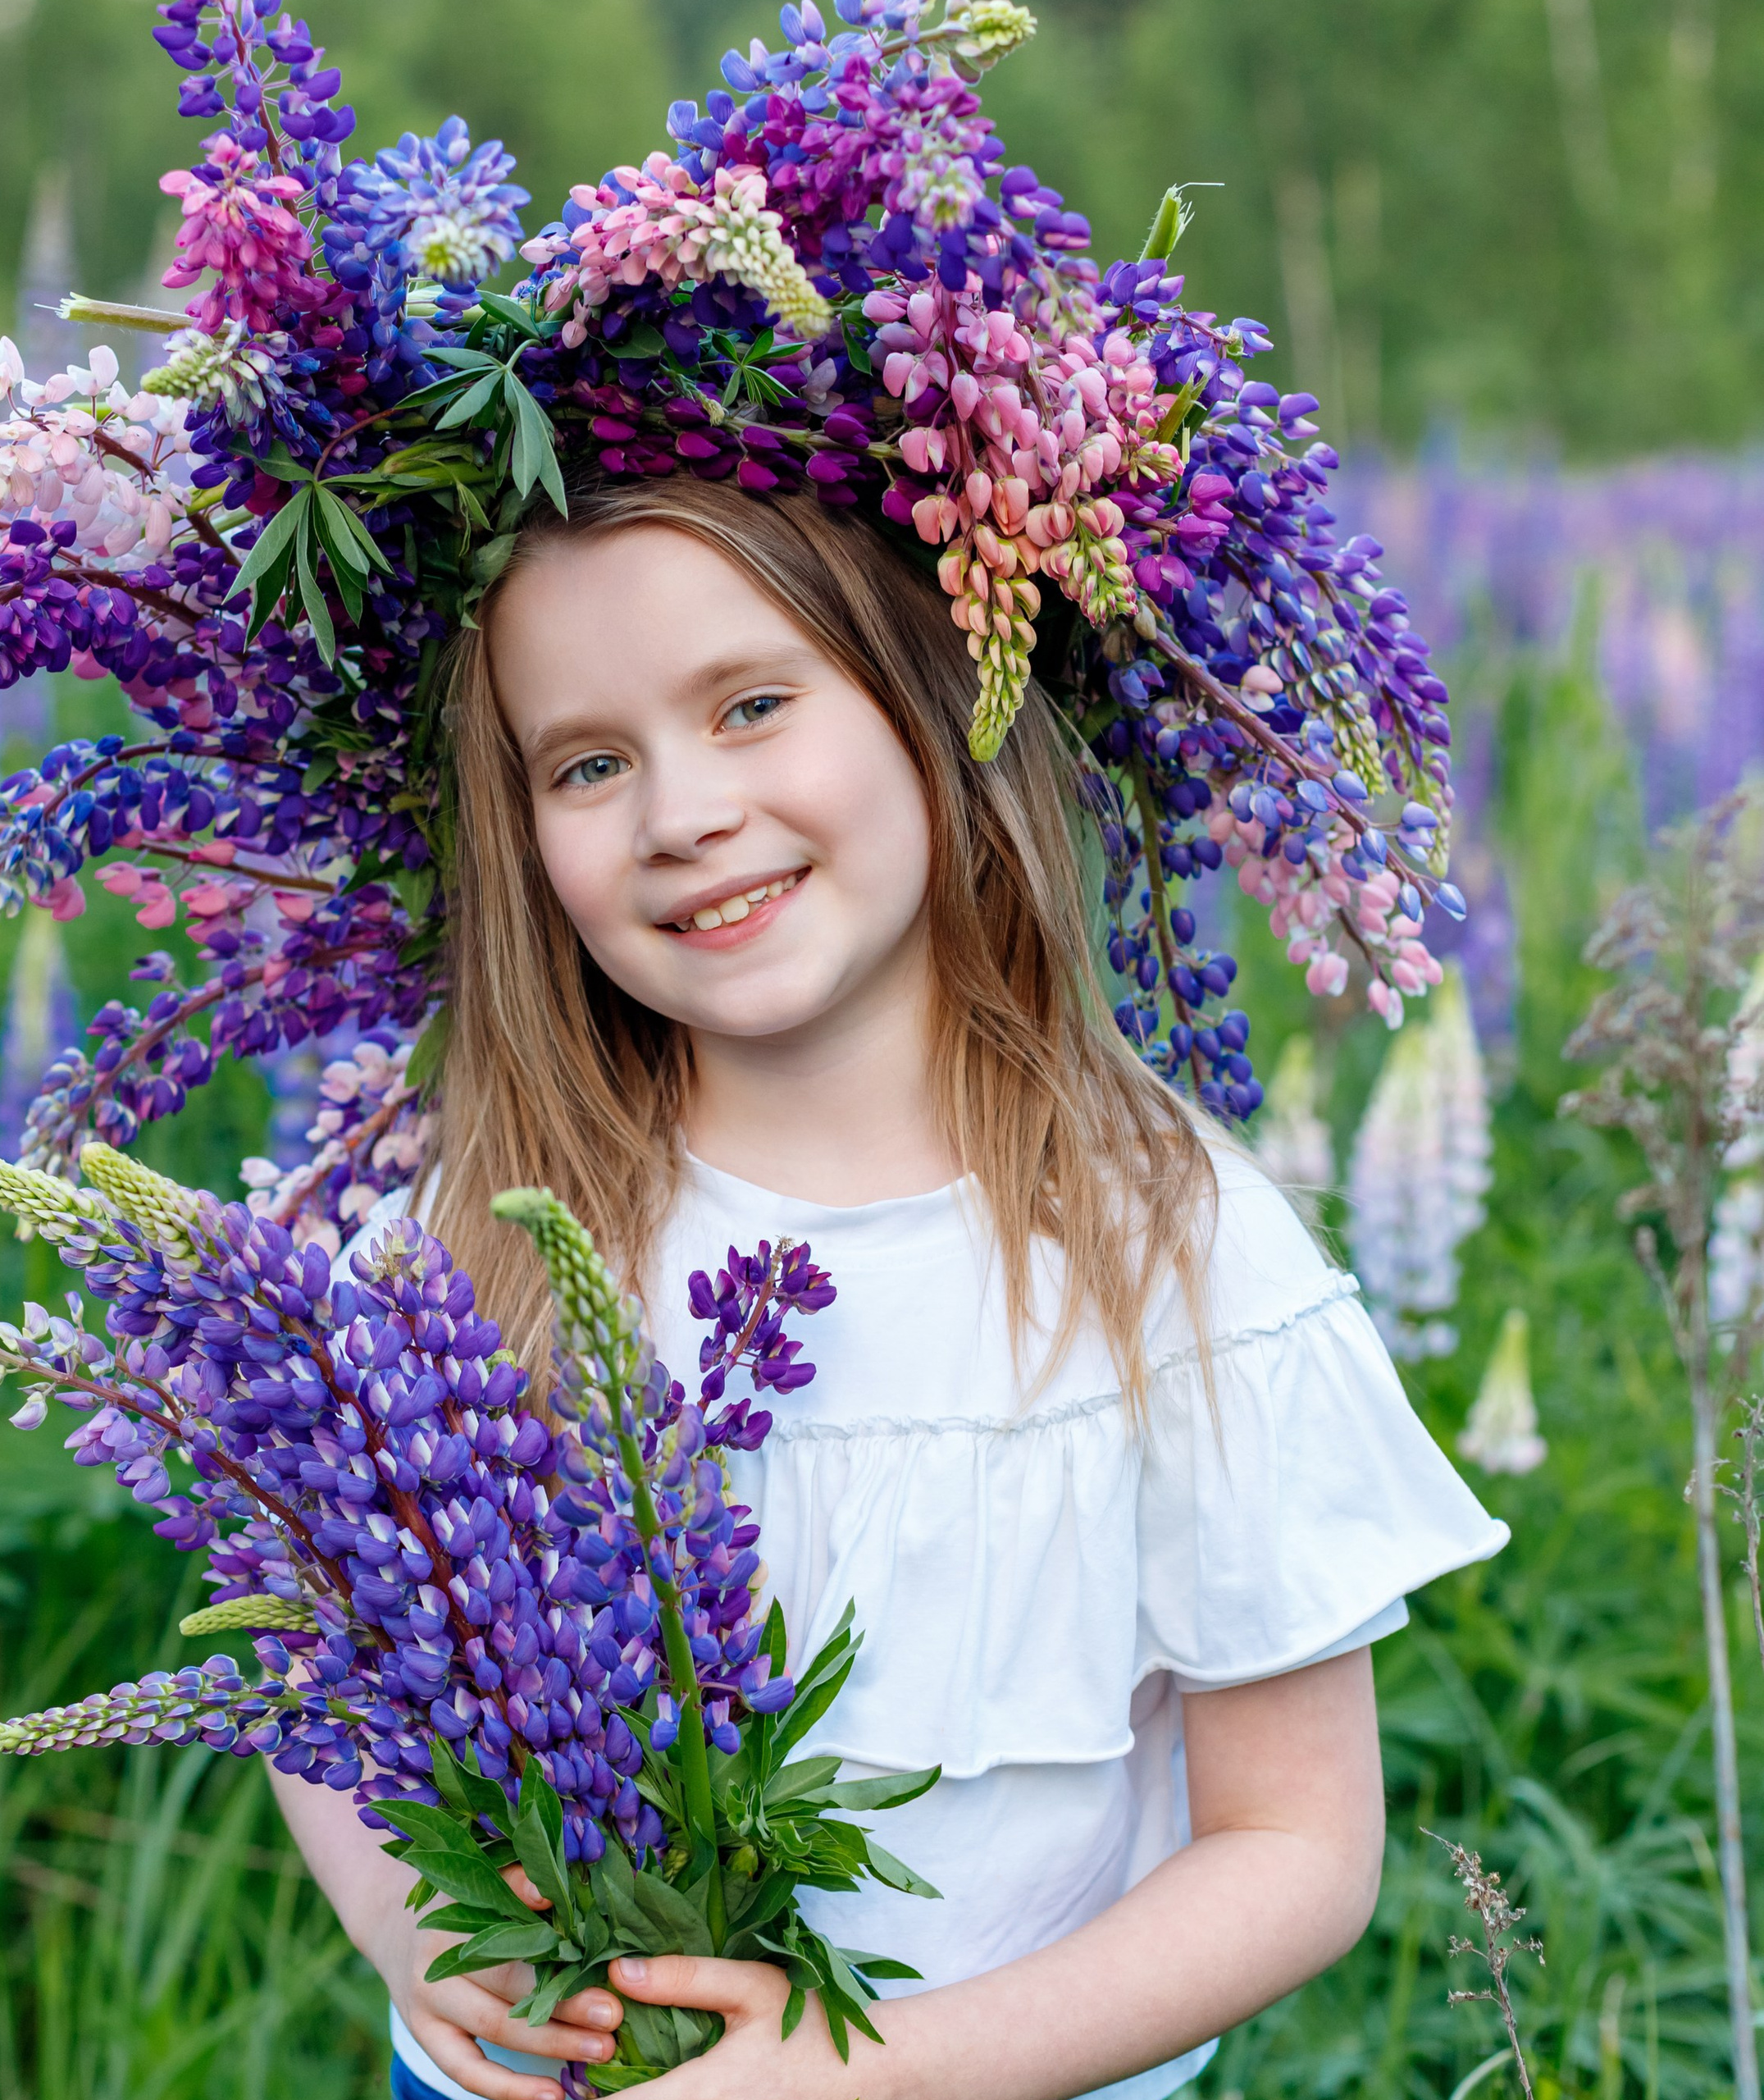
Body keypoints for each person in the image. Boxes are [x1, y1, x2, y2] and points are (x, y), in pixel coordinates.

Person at [269, 476, 1506, 2100]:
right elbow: (314, 1649)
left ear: (937, 699)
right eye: (587, 762)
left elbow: (1292, 1842)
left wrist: (875, 2069)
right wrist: (406, 1923)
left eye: (753, 703)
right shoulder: (470, 1238)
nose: (680, 810)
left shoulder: (1173, 1251)